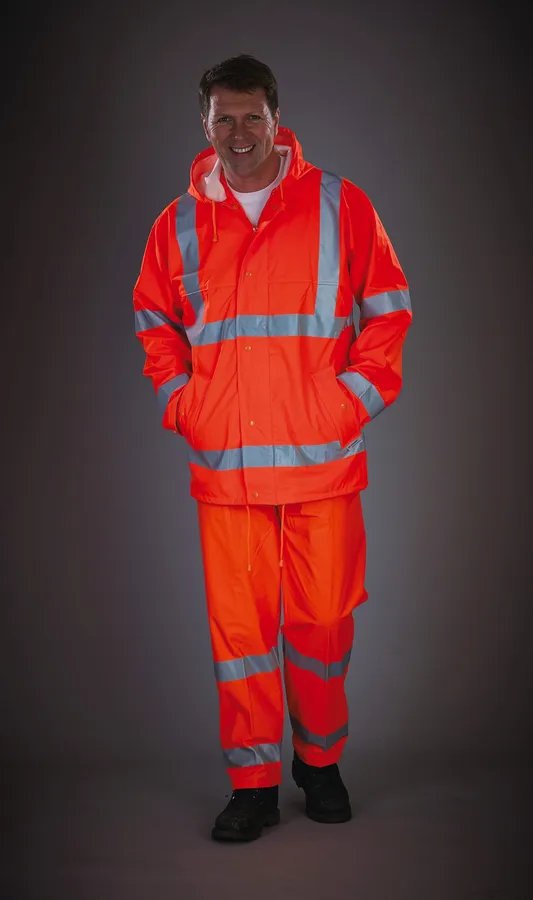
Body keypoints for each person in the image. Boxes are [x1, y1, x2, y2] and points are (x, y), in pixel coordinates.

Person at [133, 54, 412, 842]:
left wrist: (347, 401)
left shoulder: (339, 204)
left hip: (322, 464)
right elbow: (154, 323)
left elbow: (388, 310)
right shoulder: (177, 224)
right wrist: (183, 404)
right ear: (203, 123)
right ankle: (252, 784)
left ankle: (319, 763)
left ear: (276, 119)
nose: (238, 131)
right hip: (227, 470)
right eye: (222, 117)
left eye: (251, 116)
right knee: (241, 635)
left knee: (322, 625)